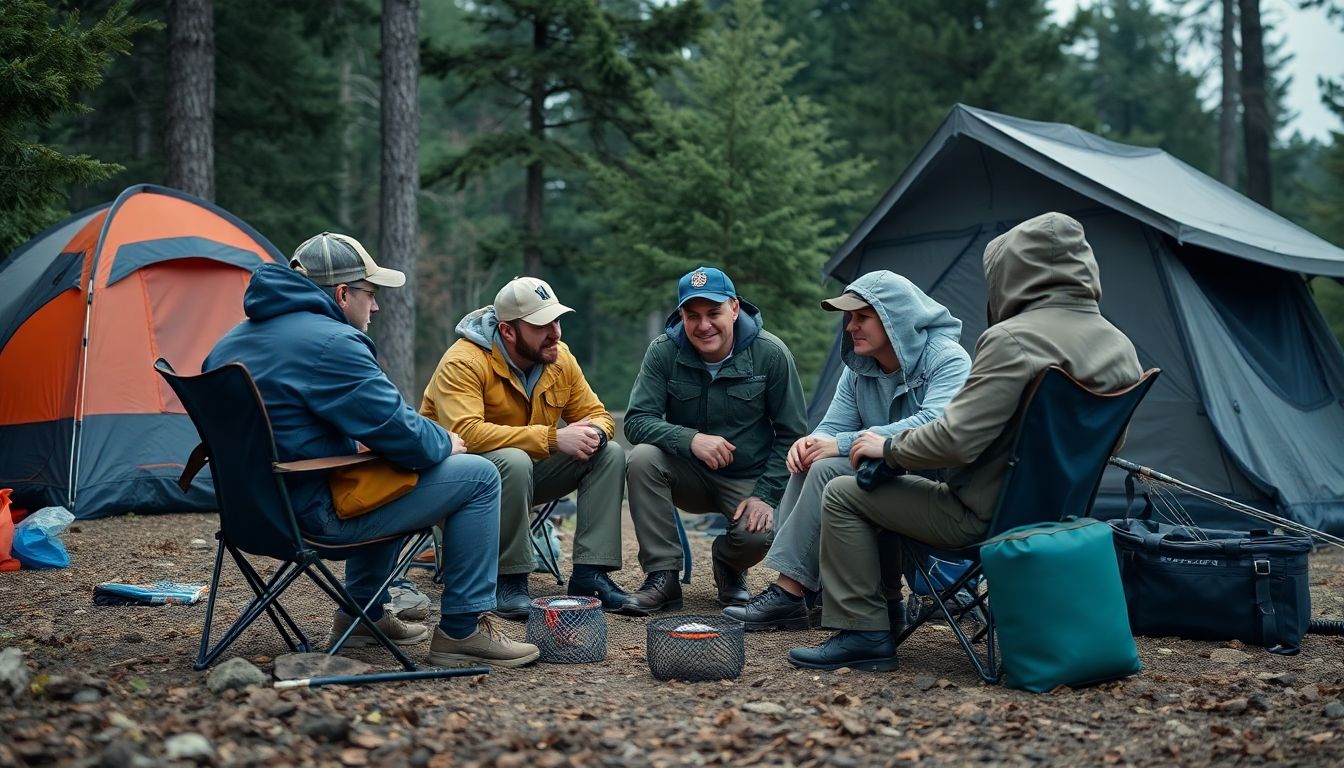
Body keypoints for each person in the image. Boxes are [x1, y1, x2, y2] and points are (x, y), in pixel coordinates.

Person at [788, 212, 1143, 671]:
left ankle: (864, 633)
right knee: (872, 478)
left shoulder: (1012, 339)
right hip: (1063, 515)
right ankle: (880, 608)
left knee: (846, 491)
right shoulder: (1120, 345)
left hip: (983, 517)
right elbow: (1112, 446)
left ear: (1014, 273)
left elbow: (955, 440)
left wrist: (887, 448)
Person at [205, 232, 538, 668]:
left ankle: (364, 618)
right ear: (343, 293)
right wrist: (444, 442)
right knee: (478, 475)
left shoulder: (230, 342)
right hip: (311, 517)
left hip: (250, 516)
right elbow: (399, 430)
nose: (376, 306)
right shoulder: (332, 344)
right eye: (371, 293)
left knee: (385, 469)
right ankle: (463, 629)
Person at [724, 270, 971, 630]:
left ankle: (791, 592)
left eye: (862, 317)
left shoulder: (947, 358)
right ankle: (863, 598)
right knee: (813, 462)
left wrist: (838, 444)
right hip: (883, 478)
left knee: (828, 469)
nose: (851, 326)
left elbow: (938, 424)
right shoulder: (859, 367)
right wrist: (811, 444)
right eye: (849, 318)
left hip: (936, 486)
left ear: (894, 318)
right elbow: (834, 426)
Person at [421, 276, 631, 620]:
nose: (556, 333)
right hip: (459, 489)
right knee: (514, 460)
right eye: (541, 325)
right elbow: (465, 433)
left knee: (608, 454)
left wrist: (594, 432)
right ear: (507, 331)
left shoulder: (559, 359)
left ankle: (591, 575)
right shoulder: (464, 361)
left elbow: (599, 414)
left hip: (524, 479)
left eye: (557, 320)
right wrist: (552, 438)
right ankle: (509, 580)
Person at [623, 266, 808, 614]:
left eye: (714, 313)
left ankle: (729, 563)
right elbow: (636, 422)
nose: (703, 325)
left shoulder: (771, 354)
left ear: (735, 309)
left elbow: (792, 433)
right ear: (681, 315)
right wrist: (690, 440)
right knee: (641, 458)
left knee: (758, 535)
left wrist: (765, 496)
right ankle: (662, 577)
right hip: (685, 473)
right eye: (693, 316)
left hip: (747, 479)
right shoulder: (664, 352)